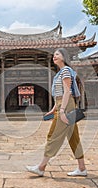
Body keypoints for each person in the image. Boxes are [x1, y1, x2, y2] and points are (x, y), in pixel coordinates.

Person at [26, 48, 87, 177]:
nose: (54, 56)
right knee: (73, 137)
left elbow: (67, 92)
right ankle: (82, 168)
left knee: (53, 135)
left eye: (57, 54)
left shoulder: (65, 71)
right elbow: (59, 95)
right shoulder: (60, 72)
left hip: (66, 105)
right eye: (53, 55)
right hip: (63, 104)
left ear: (64, 57)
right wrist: (54, 109)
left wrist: (63, 111)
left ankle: (41, 167)